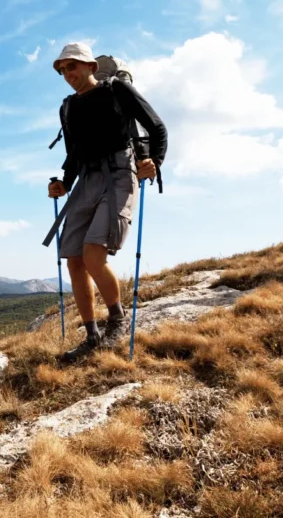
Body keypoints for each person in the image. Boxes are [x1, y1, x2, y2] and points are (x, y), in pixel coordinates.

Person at [46, 42, 167, 363]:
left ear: (90, 66)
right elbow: (73, 154)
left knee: (93, 254)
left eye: (72, 66)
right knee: (74, 259)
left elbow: (156, 126)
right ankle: (91, 336)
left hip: (118, 174)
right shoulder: (68, 107)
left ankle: (117, 320)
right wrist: (62, 183)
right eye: (62, 70)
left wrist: (154, 160)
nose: (67, 74)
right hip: (86, 179)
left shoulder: (118, 90)